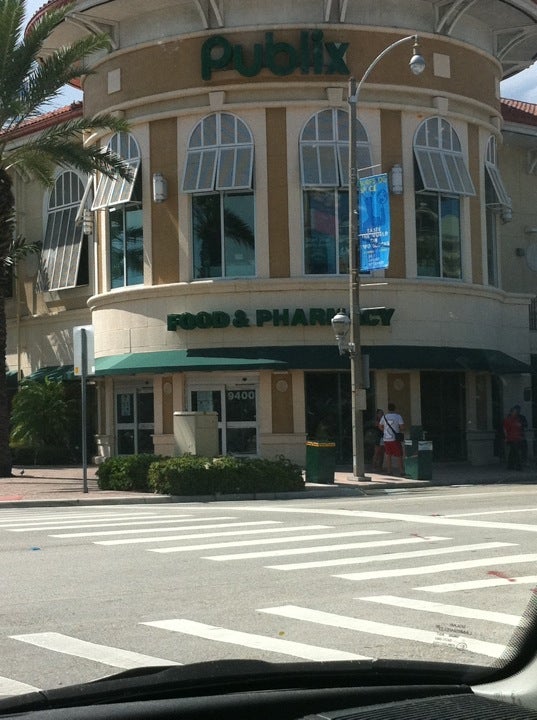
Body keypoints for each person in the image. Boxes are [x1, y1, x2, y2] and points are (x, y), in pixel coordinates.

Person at [379, 403, 405, 476]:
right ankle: (401, 471)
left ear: (388, 409)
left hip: (386, 439)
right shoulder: (398, 416)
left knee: (388, 455)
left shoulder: (384, 417)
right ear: (395, 409)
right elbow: (402, 427)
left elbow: (380, 426)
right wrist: (398, 430)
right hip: (395, 439)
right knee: (399, 455)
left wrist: (385, 430)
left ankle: (389, 471)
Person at [503, 406, 524, 471]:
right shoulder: (507, 420)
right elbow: (505, 429)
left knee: (512, 452)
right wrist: (506, 437)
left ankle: (510, 465)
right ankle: (518, 466)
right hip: (511, 438)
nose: (515, 413)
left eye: (516, 412)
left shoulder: (517, 420)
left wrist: (521, 436)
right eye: (514, 412)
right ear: (511, 412)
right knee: (516, 451)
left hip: (517, 437)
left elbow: (520, 428)